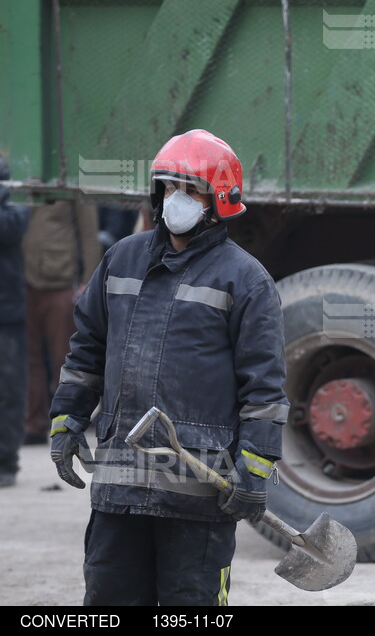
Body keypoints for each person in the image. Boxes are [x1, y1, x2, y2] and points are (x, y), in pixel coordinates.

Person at [48, 129, 289, 606]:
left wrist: (255, 469)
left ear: (218, 198)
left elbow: (265, 389)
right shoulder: (121, 260)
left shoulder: (245, 280)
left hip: (198, 498)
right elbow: (86, 352)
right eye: (168, 187)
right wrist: (67, 420)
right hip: (119, 491)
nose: (176, 199)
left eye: (191, 189)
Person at [22, 190, 100, 445]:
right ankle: (33, 424)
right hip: (24, 280)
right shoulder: (20, 177)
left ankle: (67, 422)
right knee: (27, 360)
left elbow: (89, 233)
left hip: (60, 281)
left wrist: (89, 281)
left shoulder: (68, 184)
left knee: (63, 359)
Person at [0, 157, 31, 487]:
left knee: (8, 389)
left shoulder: (16, 192)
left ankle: (6, 459)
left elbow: (9, 227)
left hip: (7, 311)